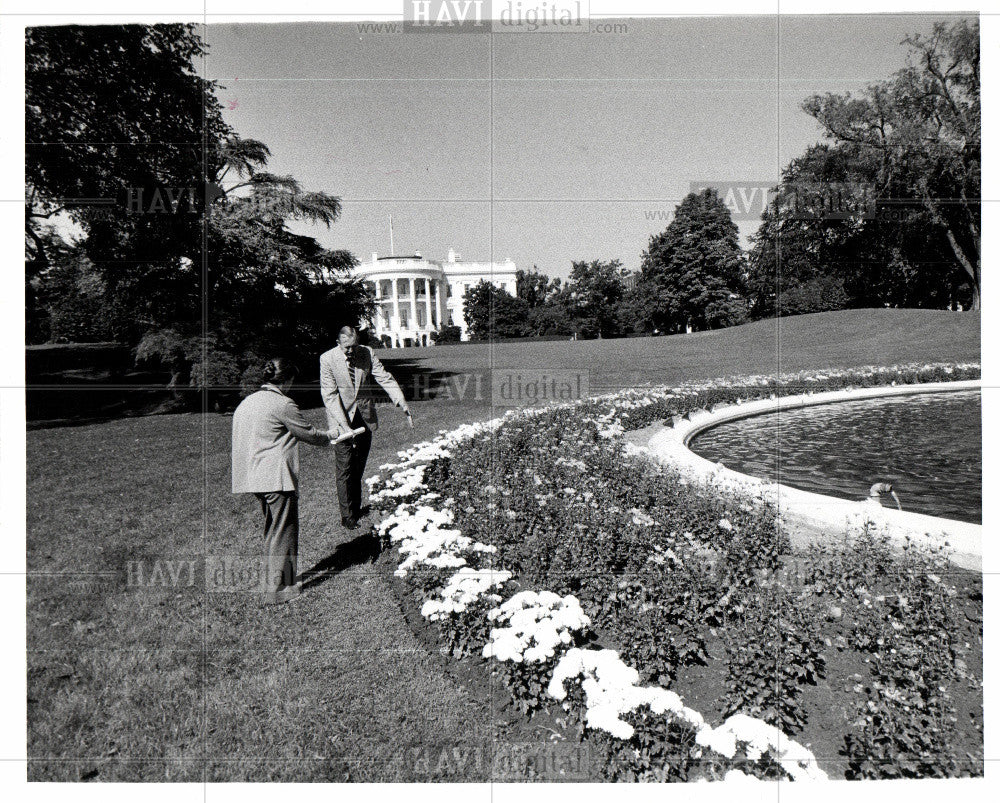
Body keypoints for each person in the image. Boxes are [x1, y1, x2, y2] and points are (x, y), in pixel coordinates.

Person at [231, 357, 334, 605]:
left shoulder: (247, 402)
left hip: (253, 477)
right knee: (284, 533)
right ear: (286, 381)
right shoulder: (283, 403)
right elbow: (308, 433)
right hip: (276, 478)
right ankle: (279, 591)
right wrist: (332, 435)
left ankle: (271, 584)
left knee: (273, 532)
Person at [320, 325, 412, 529]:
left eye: (354, 346)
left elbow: (384, 377)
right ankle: (347, 516)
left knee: (358, 465)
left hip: (364, 416)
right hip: (340, 418)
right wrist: (344, 426)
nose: (351, 351)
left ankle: (356, 506)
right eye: (347, 347)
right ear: (338, 343)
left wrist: (400, 400)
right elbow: (330, 395)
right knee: (344, 466)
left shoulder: (367, 353)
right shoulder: (327, 359)